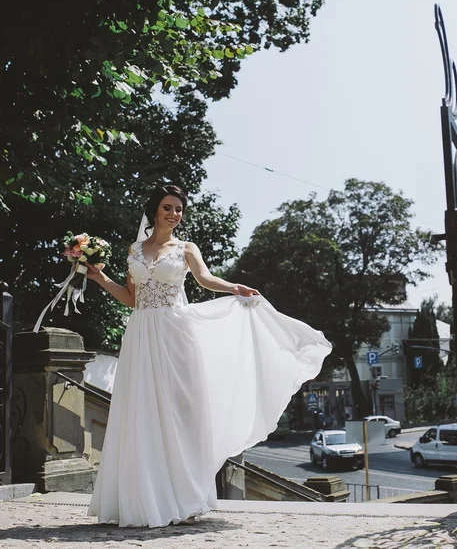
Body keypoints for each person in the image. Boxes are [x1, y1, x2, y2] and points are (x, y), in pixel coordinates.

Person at [85, 185, 332, 527]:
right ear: (154, 210)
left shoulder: (186, 248)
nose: (174, 213)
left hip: (175, 333)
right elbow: (131, 298)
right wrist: (99, 278)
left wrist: (234, 287)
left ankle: (183, 497)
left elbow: (204, 279)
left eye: (179, 209)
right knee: (140, 411)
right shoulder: (135, 250)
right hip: (141, 333)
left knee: (180, 413)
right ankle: (143, 499)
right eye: (168, 207)